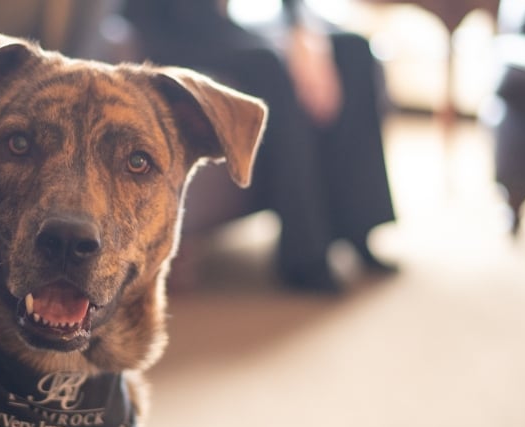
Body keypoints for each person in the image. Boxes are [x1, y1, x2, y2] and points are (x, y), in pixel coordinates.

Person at [121, 0, 398, 294]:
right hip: (168, 26)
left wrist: (302, 32)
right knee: (270, 62)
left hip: (222, 24)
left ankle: (358, 227)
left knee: (353, 49)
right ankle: (303, 254)